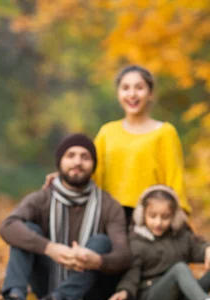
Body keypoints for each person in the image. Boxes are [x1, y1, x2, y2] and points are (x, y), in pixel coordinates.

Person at [0, 134, 131, 300]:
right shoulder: (42, 197)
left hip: (90, 288)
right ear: (60, 163)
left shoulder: (108, 205)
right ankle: (15, 298)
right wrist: (50, 248)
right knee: (26, 230)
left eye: (85, 157)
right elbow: (7, 226)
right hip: (47, 280)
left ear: (94, 165)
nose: (77, 162)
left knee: (101, 242)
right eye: (70, 155)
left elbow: (124, 255)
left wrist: (97, 261)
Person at [44, 65, 191, 227]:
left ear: (150, 94)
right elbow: (91, 171)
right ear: (118, 94)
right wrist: (64, 177)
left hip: (150, 218)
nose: (132, 94)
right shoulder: (108, 132)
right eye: (125, 88)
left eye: (139, 88)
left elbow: (175, 178)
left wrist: (180, 214)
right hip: (109, 217)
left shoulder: (165, 133)